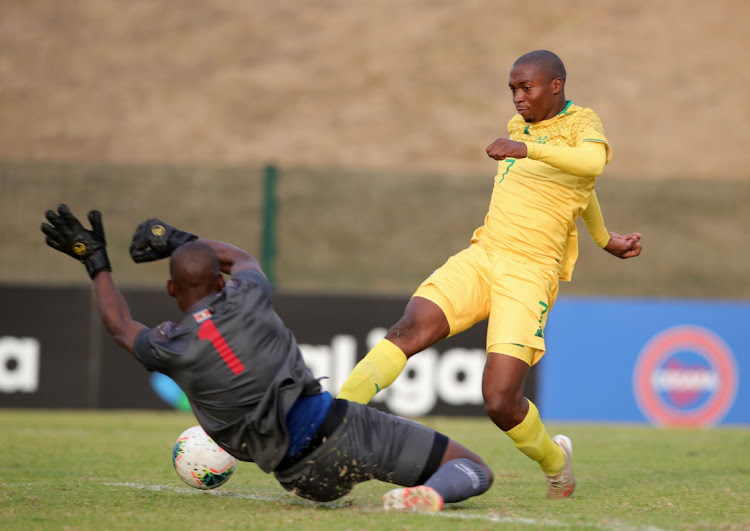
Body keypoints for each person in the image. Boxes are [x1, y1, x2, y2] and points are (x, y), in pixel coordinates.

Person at [40, 204, 493, 513]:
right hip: (344, 432)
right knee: (472, 468)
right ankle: (430, 495)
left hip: (298, 477)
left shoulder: (169, 346)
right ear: (219, 283)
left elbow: (120, 324)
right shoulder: (248, 295)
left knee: (309, 468)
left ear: (171, 290)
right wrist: (179, 241)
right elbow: (240, 259)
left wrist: (95, 260)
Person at [335, 50, 643, 499]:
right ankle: (331, 424)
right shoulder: (520, 125)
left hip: (530, 273)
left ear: (555, 86)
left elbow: (590, 169)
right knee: (410, 328)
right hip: (484, 254)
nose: (518, 98)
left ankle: (556, 462)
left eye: (527, 88)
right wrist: (602, 237)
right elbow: (578, 186)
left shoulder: (581, 123)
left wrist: (530, 154)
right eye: (513, 90)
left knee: (500, 402)